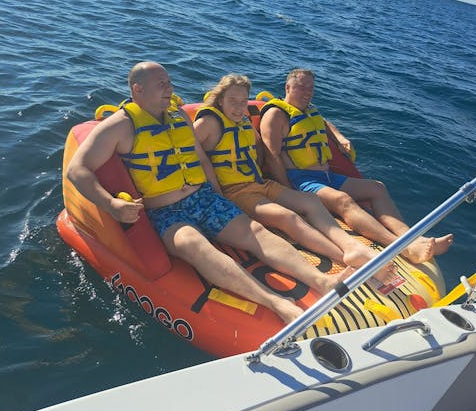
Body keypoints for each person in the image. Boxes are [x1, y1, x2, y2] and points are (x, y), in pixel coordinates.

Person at [66, 61, 353, 326]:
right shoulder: (119, 125)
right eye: (161, 84)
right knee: (195, 245)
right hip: (166, 212)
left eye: (169, 82)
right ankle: (276, 301)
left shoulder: (178, 116)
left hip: (203, 198)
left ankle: (321, 281)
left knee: (256, 233)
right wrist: (112, 204)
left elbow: (201, 159)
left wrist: (218, 194)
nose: (170, 88)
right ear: (137, 89)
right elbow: (78, 170)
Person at [193, 73, 397, 282]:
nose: (238, 107)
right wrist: (214, 192)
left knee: (311, 201)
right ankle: (345, 257)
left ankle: (351, 246)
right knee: (287, 216)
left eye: (243, 101)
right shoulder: (209, 122)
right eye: (232, 101)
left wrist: (280, 181)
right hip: (236, 192)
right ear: (220, 100)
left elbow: (260, 149)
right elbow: (187, 155)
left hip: (261, 184)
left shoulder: (242, 121)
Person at [259, 68, 454, 264]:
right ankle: (403, 248)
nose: (307, 92)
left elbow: (324, 123)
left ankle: (413, 238)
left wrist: (340, 137)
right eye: (301, 87)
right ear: (288, 87)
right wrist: (289, 192)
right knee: (343, 200)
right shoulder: (275, 115)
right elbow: (271, 156)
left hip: (327, 176)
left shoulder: (309, 111)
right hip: (302, 180)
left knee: (376, 187)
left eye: (311, 88)